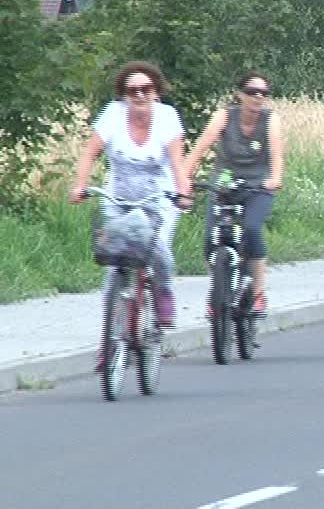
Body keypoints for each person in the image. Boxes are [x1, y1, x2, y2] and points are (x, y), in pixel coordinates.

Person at [70, 61, 191, 329]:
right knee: (114, 260)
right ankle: (111, 336)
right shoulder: (113, 114)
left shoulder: (167, 117)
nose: (139, 95)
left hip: (157, 199)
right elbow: (90, 153)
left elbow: (176, 162)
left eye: (146, 89)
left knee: (157, 248)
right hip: (118, 198)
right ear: (123, 94)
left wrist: (183, 191)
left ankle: (164, 291)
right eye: (132, 90)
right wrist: (80, 185)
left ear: (156, 92)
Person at [184, 70, 285, 317]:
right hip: (225, 183)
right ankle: (218, 291)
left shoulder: (270, 120)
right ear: (240, 94)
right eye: (252, 92)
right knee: (211, 238)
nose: (258, 97)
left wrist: (275, 178)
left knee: (251, 229)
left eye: (263, 93)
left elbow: (277, 154)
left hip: (258, 185)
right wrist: (185, 178)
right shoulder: (224, 116)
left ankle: (258, 293)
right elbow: (201, 147)